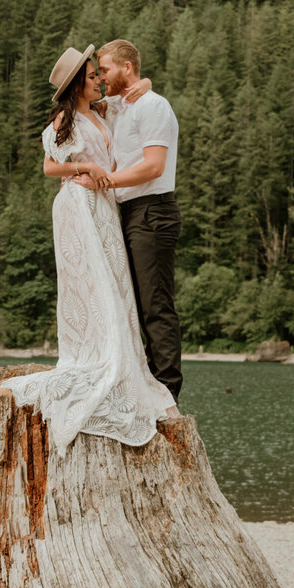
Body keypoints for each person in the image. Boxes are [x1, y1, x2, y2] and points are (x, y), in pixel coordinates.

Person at [1, 45, 178, 454]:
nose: (100, 78)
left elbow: (133, 91)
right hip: (80, 203)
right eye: (94, 74)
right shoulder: (68, 116)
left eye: (104, 72)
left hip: (107, 205)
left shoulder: (103, 111)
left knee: (119, 286)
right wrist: (86, 169)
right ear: (80, 80)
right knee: (95, 281)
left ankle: (139, 372)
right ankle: (98, 356)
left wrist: (144, 83)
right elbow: (49, 165)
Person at [76, 39, 183, 405]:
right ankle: (147, 390)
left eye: (105, 70)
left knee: (156, 307)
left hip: (154, 212)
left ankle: (168, 397)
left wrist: (104, 180)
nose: (101, 77)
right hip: (132, 213)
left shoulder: (153, 106)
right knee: (134, 306)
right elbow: (80, 101)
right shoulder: (120, 106)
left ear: (127, 69)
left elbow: (153, 166)